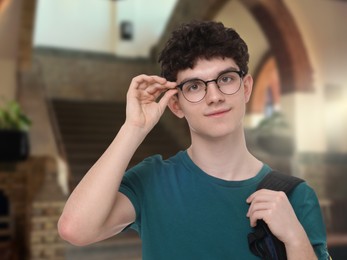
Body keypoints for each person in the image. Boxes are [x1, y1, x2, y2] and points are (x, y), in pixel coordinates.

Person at [58, 20, 330, 259]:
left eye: (225, 79)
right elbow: (75, 229)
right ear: (176, 105)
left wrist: (295, 238)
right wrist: (134, 127)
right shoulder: (152, 181)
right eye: (195, 86)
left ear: (246, 87)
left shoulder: (295, 196)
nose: (214, 97)